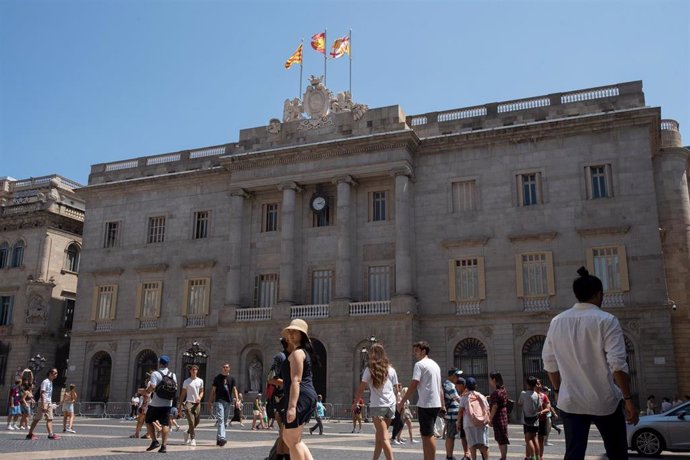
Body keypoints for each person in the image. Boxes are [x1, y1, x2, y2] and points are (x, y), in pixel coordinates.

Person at [542, 266, 639, 460]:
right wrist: (628, 399)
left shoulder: (557, 321)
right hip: (605, 401)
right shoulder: (607, 320)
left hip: (571, 402)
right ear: (598, 294)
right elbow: (618, 365)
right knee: (617, 453)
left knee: (574, 454)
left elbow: (549, 363)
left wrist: (559, 390)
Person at [397, 340, 445, 460]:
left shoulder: (419, 365)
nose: (415, 353)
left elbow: (414, 384)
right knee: (426, 435)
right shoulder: (435, 365)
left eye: (416, 351)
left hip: (426, 403)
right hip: (435, 403)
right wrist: (442, 404)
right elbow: (440, 387)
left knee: (428, 435)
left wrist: (402, 401)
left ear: (424, 351)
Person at [280, 318, 318, 460]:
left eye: (295, 332)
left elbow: (296, 380)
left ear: (302, 335)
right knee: (291, 439)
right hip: (304, 395)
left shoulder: (297, 353)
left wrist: (291, 407)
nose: (291, 334)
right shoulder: (301, 353)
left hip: (300, 395)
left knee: (292, 439)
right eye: (290, 331)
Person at [353, 343, 399, 460]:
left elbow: (361, 388)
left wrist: (355, 402)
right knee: (379, 437)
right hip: (391, 406)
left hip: (378, 406)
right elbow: (397, 388)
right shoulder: (391, 370)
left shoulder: (369, 370)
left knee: (383, 438)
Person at [144, 355, 177, 453]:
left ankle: (154, 441)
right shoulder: (173, 374)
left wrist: (147, 390)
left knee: (148, 420)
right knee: (165, 424)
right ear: (167, 364)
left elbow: (153, 386)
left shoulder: (155, 373)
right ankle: (164, 446)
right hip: (167, 404)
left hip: (155, 404)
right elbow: (176, 387)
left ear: (160, 363)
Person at [266, 337, 290, 460]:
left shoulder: (294, 356)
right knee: (285, 433)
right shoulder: (280, 357)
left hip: (290, 400)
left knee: (286, 434)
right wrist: (290, 383)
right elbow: (271, 378)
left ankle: (274, 457)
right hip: (281, 400)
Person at [208, 362, 239, 446]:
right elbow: (213, 390)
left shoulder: (232, 378)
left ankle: (218, 439)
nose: (225, 368)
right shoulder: (217, 378)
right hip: (219, 400)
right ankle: (222, 438)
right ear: (222, 368)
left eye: (227, 367)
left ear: (229, 368)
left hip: (228, 401)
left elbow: (234, 389)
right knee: (221, 419)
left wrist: (237, 400)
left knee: (224, 421)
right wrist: (210, 401)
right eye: (224, 367)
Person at [458, 377, 489, 460]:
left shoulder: (464, 397)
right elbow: (487, 409)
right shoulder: (481, 396)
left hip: (469, 423)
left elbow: (460, 411)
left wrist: (458, 423)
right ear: (476, 386)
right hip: (482, 422)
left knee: (472, 445)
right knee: (483, 445)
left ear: (466, 386)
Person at [26, 368, 60, 440]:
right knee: (37, 419)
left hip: (48, 402)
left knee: (50, 418)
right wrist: (44, 404)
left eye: (56, 373)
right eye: (55, 373)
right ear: (50, 374)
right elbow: (42, 393)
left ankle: (50, 434)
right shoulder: (45, 382)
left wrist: (50, 403)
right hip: (43, 402)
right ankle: (29, 434)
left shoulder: (51, 382)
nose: (56, 375)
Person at [179, 364, 204, 446]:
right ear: (190, 371)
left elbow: (202, 391)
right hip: (188, 403)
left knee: (197, 422)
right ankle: (193, 438)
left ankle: (187, 432)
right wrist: (180, 405)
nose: (194, 371)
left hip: (197, 403)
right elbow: (183, 393)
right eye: (192, 370)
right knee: (191, 422)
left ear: (197, 371)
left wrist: (200, 397)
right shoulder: (186, 381)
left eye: (195, 370)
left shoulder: (200, 381)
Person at [518, 376, 541, 460]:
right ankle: (538, 457)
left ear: (527, 384)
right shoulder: (537, 395)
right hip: (535, 419)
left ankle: (532, 456)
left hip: (527, 420)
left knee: (528, 440)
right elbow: (539, 407)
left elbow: (519, 404)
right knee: (534, 438)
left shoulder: (523, 393)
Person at [443, 368, 464, 460]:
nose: (458, 377)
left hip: (451, 414)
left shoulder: (448, 384)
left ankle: (449, 455)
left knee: (451, 436)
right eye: (456, 375)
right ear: (451, 376)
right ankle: (449, 456)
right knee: (450, 436)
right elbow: (457, 398)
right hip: (452, 414)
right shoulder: (450, 385)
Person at [488, 371, 510, 460]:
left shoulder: (496, 392)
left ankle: (503, 457)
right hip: (504, 415)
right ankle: (503, 457)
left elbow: (495, 406)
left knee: (501, 438)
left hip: (498, 417)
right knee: (503, 437)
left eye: (490, 379)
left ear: (493, 379)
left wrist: (490, 418)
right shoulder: (503, 389)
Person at [536, 379, 555, 459]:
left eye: (539, 383)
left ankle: (540, 457)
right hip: (532, 421)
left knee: (541, 438)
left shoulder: (544, 396)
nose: (537, 385)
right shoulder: (529, 395)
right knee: (531, 439)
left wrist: (543, 413)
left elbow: (549, 408)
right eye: (536, 383)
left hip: (542, 419)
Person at [130, 374, 150, 439]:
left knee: (140, 420)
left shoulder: (150, 383)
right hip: (150, 404)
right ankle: (147, 433)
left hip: (146, 404)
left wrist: (140, 391)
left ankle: (137, 434)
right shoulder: (156, 383)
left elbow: (147, 394)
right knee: (147, 421)